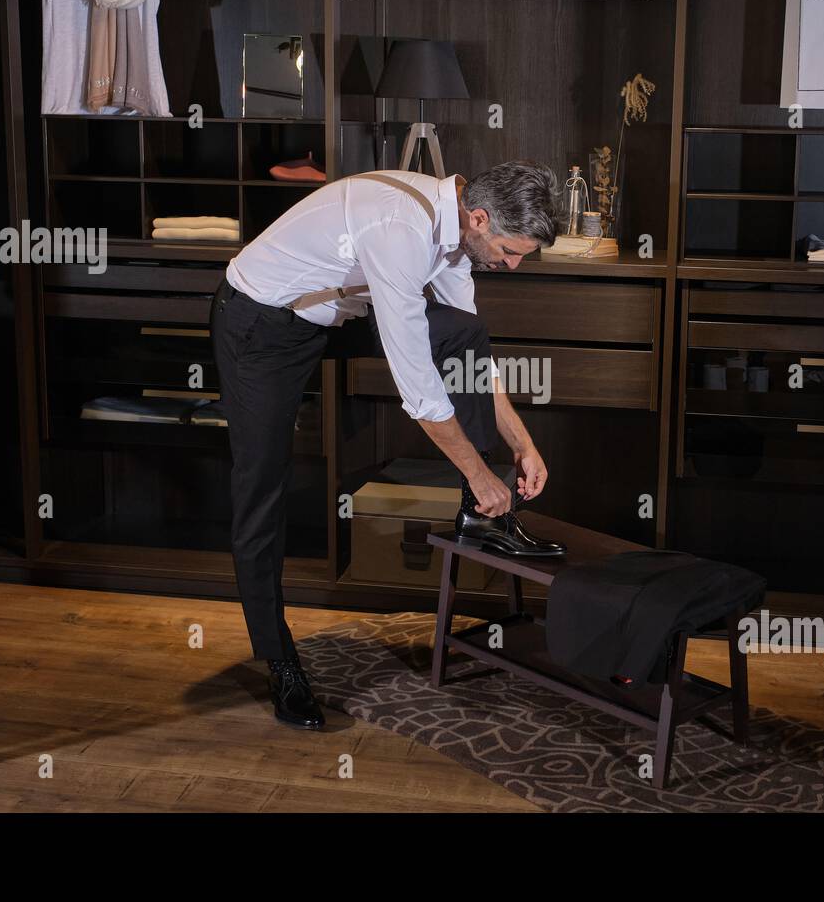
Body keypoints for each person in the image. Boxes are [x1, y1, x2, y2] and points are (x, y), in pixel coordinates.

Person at [210, 160, 566, 730]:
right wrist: (477, 472)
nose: (513, 264)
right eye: (510, 249)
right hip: (261, 325)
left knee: (465, 333)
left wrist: (522, 444)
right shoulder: (401, 230)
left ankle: (481, 518)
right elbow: (421, 392)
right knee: (261, 488)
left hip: (330, 312)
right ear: (478, 217)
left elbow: (468, 355)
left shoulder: (457, 237)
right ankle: (279, 661)